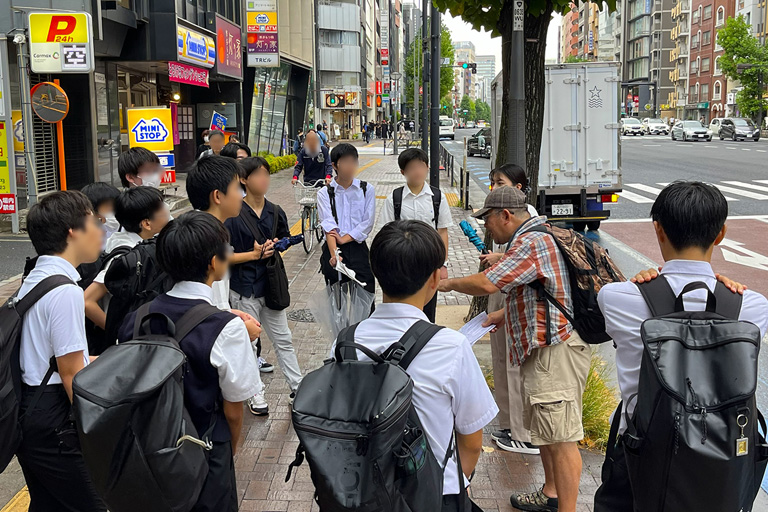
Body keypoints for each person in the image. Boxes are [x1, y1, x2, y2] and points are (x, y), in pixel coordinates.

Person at [593, 181, 768, 512]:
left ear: (658, 230)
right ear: (720, 234)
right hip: (723, 464)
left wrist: (649, 282)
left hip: (642, 461)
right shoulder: (753, 307)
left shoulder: (617, 298)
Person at [439, 186, 591, 512]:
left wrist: (446, 284)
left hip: (556, 351)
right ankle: (550, 495)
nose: (486, 228)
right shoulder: (533, 239)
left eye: (488, 221)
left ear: (506, 216)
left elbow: (487, 283)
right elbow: (537, 294)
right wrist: (500, 315)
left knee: (562, 439)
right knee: (548, 432)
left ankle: (566, 507)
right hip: (544, 350)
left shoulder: (531, 242)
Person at [332, 220, 498, 512]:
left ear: (376, 272)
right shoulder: (451, 346)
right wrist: (455, 482)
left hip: (363, 493)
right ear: (434, 280)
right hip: (435, 496)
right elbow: (471, 441)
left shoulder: (345, 342)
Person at [119, 211, 262, 511]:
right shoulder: (226, 327)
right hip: (203, 450)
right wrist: (226, 453)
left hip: (147, 452)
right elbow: (234, 410)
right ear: (213, 262)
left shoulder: (137, 317)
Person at [17, 190, 106, 511]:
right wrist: (96, 435)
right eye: (95, 221)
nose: (101, 230)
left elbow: (48, 358)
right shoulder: (65, 291)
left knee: (48, 505)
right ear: (74, 231)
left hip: (30, 411)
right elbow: (71, 376)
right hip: (54, 421)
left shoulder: (37, 277)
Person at [226, 156, 303, 408]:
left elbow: (286, 238)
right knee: (250, 343)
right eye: (258, 174)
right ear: (244, 180)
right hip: (245, 287)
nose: (264, 179)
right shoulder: (233, 214)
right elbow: (224, 256)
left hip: (271, 286)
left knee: (284, 339)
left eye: (266, 174)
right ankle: (254, 392)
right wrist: (253, 253)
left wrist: (279, 244)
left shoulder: (275, 210)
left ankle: (297, 386)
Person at [478, 164, 539, 455]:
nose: (494, 188)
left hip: (515, 300)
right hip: (506, 297)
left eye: (499, 183)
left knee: (514, 365)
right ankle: (508, 424)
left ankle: (522, 432)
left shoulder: (531, 227)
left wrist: (447, 285)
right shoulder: (515, 226)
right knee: (502, 360)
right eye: (492, 183)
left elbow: (493, 282)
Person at [380, 148, 453, 322]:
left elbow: (442, 231)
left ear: (427, 167)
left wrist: (443, 264)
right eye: (412, 168)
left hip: (429, 262)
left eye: (420, 166)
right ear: (403, 172)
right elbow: (386, 232)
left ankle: (425, 341)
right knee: (401, 305)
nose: (417, 172)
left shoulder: (437, 197)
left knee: (427, 309)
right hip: (401, 261)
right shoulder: (395, 198)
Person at [84, 187, 170, 333]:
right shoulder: (127, 255)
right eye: (161, 207)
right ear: (146, 224)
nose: (167, 209)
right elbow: (86, 301)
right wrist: (118, 332)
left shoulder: (137, 244)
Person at [317, 143, 376, 297]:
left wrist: (344, 239)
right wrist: (334, 254)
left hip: (357, 247)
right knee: (337, 303)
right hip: (333, 249)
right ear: (335, 165)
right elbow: (328, 224)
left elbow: (367, 222)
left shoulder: (366, 189)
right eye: (345, 162)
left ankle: (364, 322)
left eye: (353, 161)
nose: (351, 166)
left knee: (366, 293)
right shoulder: (325, 193)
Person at [81, 182, 121, 247]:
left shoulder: (124, 229)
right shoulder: (83, 237)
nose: (113, 209)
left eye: (115, 205)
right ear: (92, 209)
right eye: (108, 206)